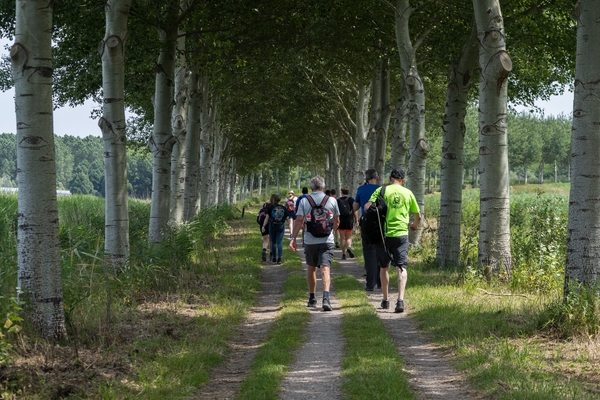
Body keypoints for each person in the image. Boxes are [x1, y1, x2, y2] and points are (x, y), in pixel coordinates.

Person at [365, 168, 421, 313]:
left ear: (390, 179)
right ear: (402, 180)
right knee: (401, 267)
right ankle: (400, 300)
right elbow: (418, 215)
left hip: (383, 235)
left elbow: (367, 207)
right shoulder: (408, 193)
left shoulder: (382, 190)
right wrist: (413, 225)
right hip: (401, 234)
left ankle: (385, 300)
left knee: (384, 267)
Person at [290, 176, 340, 311]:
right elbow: (337, 222)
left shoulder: (305, 201)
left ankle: (312, 298)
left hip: (310, 240)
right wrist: (330, 231)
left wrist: (293, 238)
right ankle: (326, 297)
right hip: (327, 240)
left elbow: (299, 220)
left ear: (311, 188)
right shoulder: (332, 200)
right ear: (323, 187)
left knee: (311, 267)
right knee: (325, 268)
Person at [354, 169, 382, 291]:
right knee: (380, 252)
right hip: (380, 223)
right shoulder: (382, 189)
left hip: (366, 223)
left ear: (366, 178)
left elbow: (354, 207)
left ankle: (370, 284)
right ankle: (381, 281)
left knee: (369, 252)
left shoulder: (361, 189)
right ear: (377, 177)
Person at [262, 194, 289, 264]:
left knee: (273, 242)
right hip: (281, 226)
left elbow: (267, 218)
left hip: (272, 225)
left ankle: (274, 258)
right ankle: (279, 258)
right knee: (279, 242)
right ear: (280, 200)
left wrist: (263, 226)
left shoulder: (270, 207)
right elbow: (287, 218)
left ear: (273, 200)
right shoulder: (283, 208)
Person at [336, 187, 357, 260]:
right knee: (348, 237)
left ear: (341, 192)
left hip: (341, 220)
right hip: (349, 220)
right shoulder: (351, 200)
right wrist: (356, 221)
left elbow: (336, 213)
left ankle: (343, 254)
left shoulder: (338, 201)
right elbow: (354, 211)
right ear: (348, 192)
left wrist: (336, 222)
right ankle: (349, 247)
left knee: (342, 238)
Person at [259, 194, 275, 262]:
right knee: (271, 240)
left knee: (265, 240)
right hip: (270, 224)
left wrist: (263, 226)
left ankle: (264, 250)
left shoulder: (265, 205)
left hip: (262, 225)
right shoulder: (274, 206)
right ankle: (271, 254)